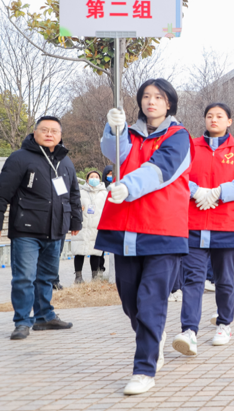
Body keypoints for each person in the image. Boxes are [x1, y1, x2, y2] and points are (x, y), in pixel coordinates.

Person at [96, 79, 191, 394]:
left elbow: (161, 168)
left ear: (169, 103)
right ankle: (154, 336)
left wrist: (129, 187)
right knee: (130, 300)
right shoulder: (130, 133)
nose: (151, 101)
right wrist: (115, 131)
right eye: (146, 96)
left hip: (162, 228)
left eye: (159, 97)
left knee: (151, 299)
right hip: (124, 228)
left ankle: (144, 369)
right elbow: (115, 155)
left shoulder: (179, 137)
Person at [173, 103, 234, 355]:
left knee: (224, 279)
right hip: (194, 223)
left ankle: (224, 323)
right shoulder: (190, 145)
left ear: (229, 121)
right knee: (193, 279)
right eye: (209, 115)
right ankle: (189, 330)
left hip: (225, 223)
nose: (214, 119)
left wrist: (220, 192)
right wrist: (196, 191)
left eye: (219, 116)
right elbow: (177, 175)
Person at [1, 116, 81, 341]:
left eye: (54, 131)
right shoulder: (19, 158)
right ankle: (22, 322)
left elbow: (73, 193)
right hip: (26, 230)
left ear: (60, 135)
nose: (49, 134)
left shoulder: (65, 161)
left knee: (46, 277)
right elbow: (2, 193)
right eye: (44, 130)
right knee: (24, 278)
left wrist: (75, 221)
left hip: (55, 230)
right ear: (34, 133)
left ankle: (44, 317)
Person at [71, 169, 109, 283]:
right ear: (87, 180)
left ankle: (95, 276)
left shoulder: (104, 193)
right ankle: (78, 277)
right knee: (79, 251)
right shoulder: (80, 191)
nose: (94, 179)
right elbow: (73, 204)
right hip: (82, 225)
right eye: (92, 177)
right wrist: (78, 209)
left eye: (97, 177)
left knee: (96, 252)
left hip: (97, 226)